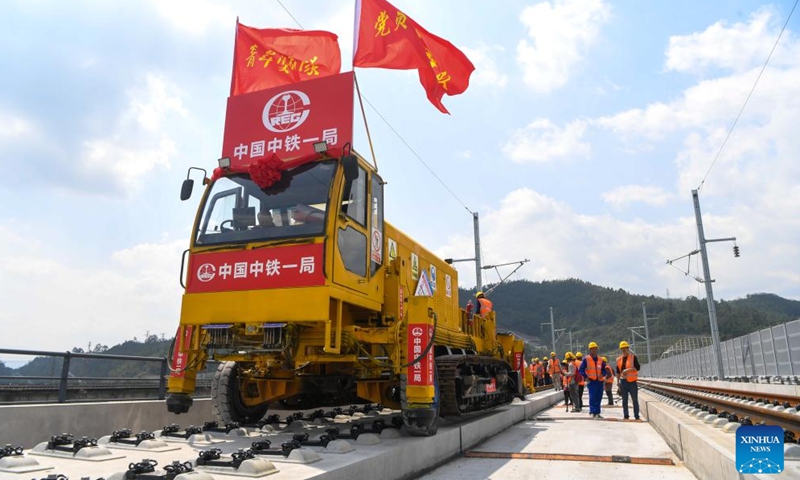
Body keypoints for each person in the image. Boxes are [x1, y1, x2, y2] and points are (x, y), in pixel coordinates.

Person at [579, 342, 609, 419]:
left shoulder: (600, 359)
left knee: (599, 397)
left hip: (599, 381)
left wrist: (603, 374)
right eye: (592, 349)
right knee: (593, 397)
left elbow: (605, 369)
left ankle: (597, 413)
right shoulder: (586, 359)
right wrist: (585, 377)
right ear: (590, 350)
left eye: (595, 349)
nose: (594, 350)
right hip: (591, 381)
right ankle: (592, 412)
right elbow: (581, 369)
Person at [616, 341, 641, 421]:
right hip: (623, 382)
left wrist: (628, 370)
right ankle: (626, 416)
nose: (624, 350)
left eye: (625, 348)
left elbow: (638, 367)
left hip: (632, 382)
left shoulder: (633, 357)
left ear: (628, 348)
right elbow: (618, 372)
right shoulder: (619, 359)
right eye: (622, 348)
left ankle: (636, 416)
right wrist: (618, 382)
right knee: (624, 400)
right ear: (620, 349)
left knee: (635, 400)